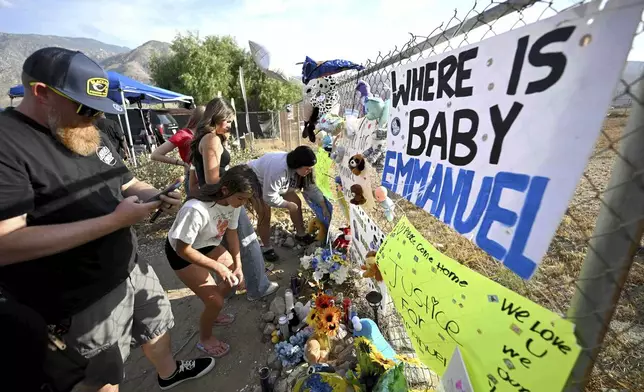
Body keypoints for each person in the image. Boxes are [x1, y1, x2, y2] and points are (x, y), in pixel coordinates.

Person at [0, 47, 214, 392]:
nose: (94, 117)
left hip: (127, 265)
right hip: (76, 297)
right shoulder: (8, 143)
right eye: (86, 107)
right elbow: (5, 243)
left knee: (155, 323)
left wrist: (156, 197)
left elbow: (128, 182)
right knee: (100, 373)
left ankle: (169, 372)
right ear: (42, 93)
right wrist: (113, 222)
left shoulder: (84, 130)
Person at [165, 165, 261, 357]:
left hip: (207, 242)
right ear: (225, 190)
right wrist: (218, 267)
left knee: (232, 277)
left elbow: (232, 234)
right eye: (241, 198)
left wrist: (238, 265)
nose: (243, 204)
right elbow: (183, 249)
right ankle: (205, 338)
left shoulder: (232, 203)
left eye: (246, 200)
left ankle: (212, 312)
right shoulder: (195, 210)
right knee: (216, 300)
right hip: (182, 252)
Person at [190, 97, 279, 298]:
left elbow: (199, 179)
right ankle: (258, 287)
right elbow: (214, 178)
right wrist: (238, 182)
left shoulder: (201, 139)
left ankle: (228, 290)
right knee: (247, 241)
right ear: (216, 117)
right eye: (227, 121)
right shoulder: (211, 139)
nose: (230, 126)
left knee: (222, 244)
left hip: (213, 200)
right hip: (226, 198)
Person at [248, 145, 330, 246]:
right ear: (298, 164)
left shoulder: (302, 169)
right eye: (307, 168)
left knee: (296, 202)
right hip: (255, 180)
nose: (309, 171)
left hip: (277, 183)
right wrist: (287, 205)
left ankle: (301, 234)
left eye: (311, 168)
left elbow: (311, 188)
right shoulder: (278, 169)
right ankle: (266, 246)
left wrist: (323, 205)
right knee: (265, 214)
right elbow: (269, 197)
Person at [151, 106, 205, 195]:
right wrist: (182, 163)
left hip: (204, 175)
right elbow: (155, 155)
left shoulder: (204, 135)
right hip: (193, 177)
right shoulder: (183, 135)